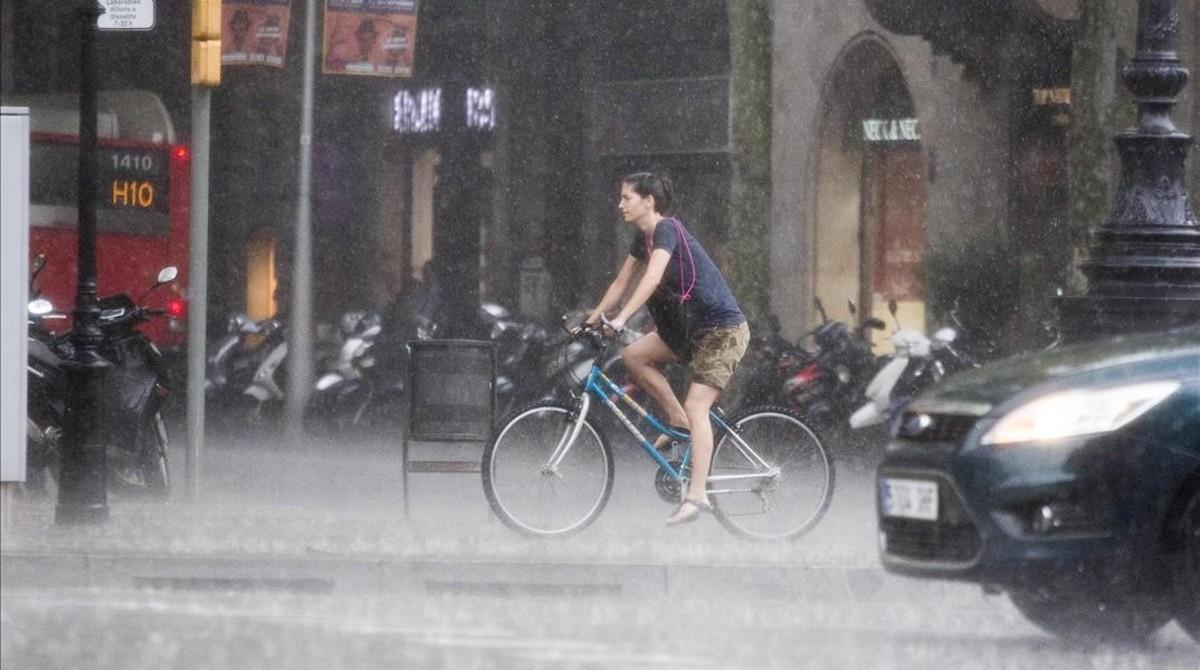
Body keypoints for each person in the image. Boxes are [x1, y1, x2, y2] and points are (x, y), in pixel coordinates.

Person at [583, 172, 750, 526]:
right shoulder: (641, 239)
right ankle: (677, 421)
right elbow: (620, 283)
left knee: (698, 405)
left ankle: (697, 496)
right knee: (634, 357)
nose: (620, 204)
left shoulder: (667, 230)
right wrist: (593, 318)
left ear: (649, 201)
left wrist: (621, 319)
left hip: (721, 330)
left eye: (627, 197)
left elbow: (653, 277)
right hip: (689, 330)